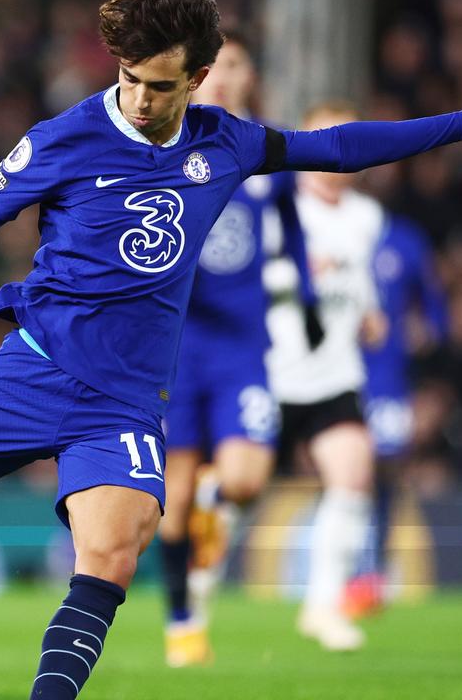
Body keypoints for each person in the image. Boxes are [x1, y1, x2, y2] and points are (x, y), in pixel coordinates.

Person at [0, 0, 462, 696]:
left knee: (111, 557)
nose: (140, 98)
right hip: (35, 368)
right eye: (130, 78)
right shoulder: (63, 139)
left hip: (120, 402)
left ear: (199, 78)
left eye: (160, 85)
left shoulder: (227, 142)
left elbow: (333, 146)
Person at [156, 32, 318, 668]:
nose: (222, 76)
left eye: (234, 65)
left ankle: (213, 511)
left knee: (247, 479)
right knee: (169, 500)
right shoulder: (170, 148)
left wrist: (304, 298)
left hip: (242, 347)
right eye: (212, 66)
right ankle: (182, 621)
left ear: (250, 77)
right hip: (176, 348)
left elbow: (296, 230)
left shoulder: (259, 150)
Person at [265, 101, 402, 651]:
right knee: (231, 490)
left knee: (352, 474)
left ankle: (323, 606)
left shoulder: (367, 219)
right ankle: (191, 601)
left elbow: (359, 274)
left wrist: (370, 310)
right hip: (270, 373)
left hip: (334, 376)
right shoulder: (277, 206)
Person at [343, 212, 449, 618]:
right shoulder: (331, 232)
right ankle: (348, 570)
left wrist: (428, 333)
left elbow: (436, 310)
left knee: (383, 472)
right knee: (347, 471)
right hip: (336, 376)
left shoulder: (406, 240)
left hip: (388, 381)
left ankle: (373, 573)